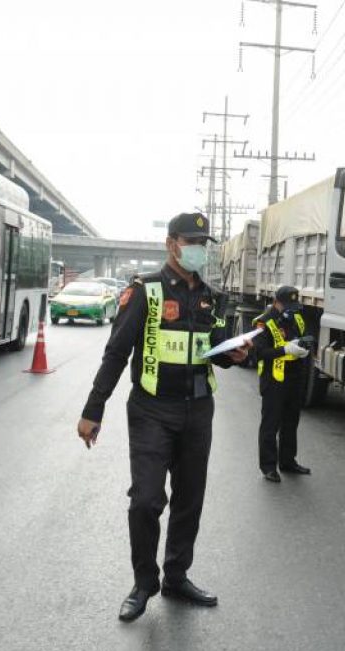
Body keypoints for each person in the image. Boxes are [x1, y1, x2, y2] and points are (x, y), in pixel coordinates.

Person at [76, 212, 249, 623]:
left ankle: (176, 576)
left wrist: (241, 353)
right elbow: (117, 353)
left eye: (204, 243)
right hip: (152, 409)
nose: (199, 250)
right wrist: (92, 409)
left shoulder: (211, 296)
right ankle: (143, 583)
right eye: (192, 242)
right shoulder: (145, 291)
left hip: (198, 410)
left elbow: (220, 352)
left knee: (190, 500)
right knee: (146, 501)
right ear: (171, 244)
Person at [253, 285, 312, 483]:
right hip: (274, 379)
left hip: (294, 377)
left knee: (291, 422)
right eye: (287, 304)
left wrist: (303, 345)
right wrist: (286, 350)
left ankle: (287, 461)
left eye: (293, 305)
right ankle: (268, 467)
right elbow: (258, 353)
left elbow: (299, 338)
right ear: (276, 301)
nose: (291, 309)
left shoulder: (295, 317)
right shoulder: (264, 322)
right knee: (271, 423)